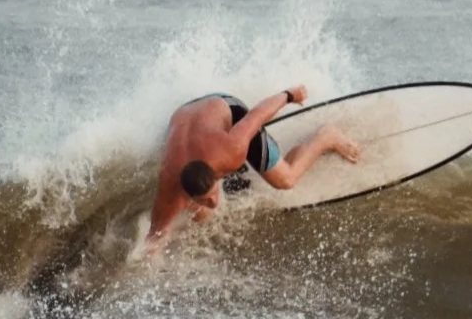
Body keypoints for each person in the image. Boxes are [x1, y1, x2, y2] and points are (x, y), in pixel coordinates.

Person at [145, 85, 360, 253]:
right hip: (186, 113)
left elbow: (257, 115)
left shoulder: (231, 150)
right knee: (200, 217)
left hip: (224, 106)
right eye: (204, 198)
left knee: (285, 180)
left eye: (212, 194)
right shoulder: (169, 186)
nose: (214, 202)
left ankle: (326, 137)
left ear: (217, 173)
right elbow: (155, 236)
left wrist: (290, 95)